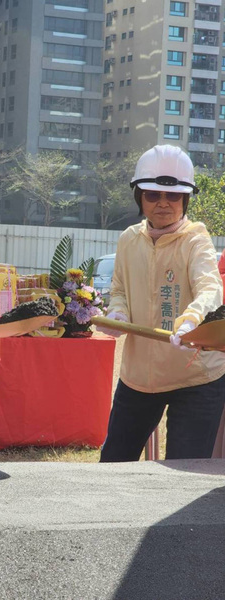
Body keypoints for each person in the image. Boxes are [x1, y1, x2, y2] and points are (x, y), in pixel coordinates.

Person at [97, 145, 225, 461]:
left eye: (173, 196)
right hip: (138, 377)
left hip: (196, 377)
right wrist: (117, 313)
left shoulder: (196, 238)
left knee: (182, 474)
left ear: (186, 199)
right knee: (113, 463)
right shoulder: (129, 239)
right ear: (139, 197)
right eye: (153, 195)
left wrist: (194, 319)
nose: (163, 203)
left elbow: (210, 288)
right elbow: (120, 290)